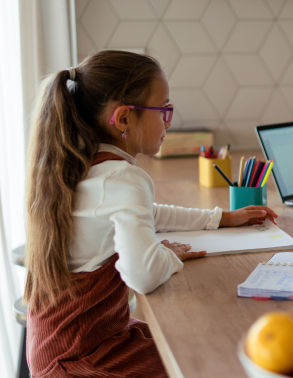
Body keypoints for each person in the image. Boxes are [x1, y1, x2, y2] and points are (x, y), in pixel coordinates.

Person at [24, 50, 278, 377]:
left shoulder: (82, 162)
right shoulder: (123, 178)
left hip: (66, 347)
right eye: (164, 110)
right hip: (83, 358)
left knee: (186, 344)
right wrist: (165, 255)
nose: (169, 121)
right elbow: (143, 275)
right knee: (207, 360)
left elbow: (148, 214)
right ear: (124, 118)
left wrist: (221, 218)